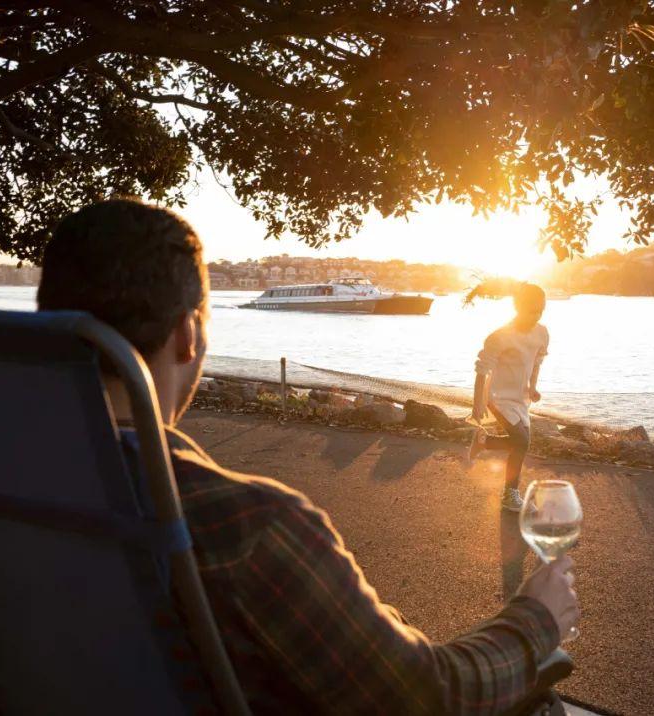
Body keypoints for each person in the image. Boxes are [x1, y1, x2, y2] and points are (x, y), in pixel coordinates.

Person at [36, 198, 579, 714]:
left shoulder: (6, 482)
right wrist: (535, 619)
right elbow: (425, 699)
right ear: (187, 335)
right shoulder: (251, 526)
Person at [468, 284, 549, 512]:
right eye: (532, 310)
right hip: (497, 397)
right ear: (517, 307)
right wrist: (478, 403)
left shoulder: (541, 332)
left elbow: (537, 361)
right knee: (522, 441)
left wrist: (533, 388)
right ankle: (510, 495)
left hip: (520, 398)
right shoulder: (500, 337)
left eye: (540, 310)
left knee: (521, 444)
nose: (536, 315)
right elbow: (482, 370)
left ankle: (484, 442)